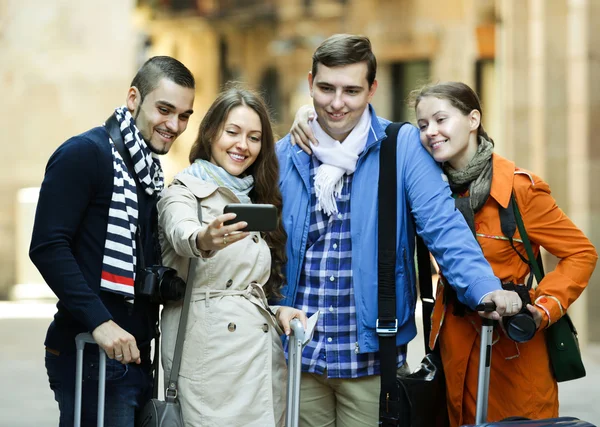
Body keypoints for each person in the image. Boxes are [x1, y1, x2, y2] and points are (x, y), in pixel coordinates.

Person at [278, 33, 523, 427]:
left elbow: (443, 228)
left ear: (372, 89)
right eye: (326, 88)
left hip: (372, 359)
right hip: (296, 357)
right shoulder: (285, 153)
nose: (337, 102)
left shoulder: (401, 145)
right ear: (310, 83)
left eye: (351, 90)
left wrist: (484, 286)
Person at [410, 81, 597, 426]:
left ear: (473, 119)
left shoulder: (519, 189)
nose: (431, 132)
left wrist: (542, 307)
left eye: (440, 120)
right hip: (451, 350)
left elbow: (581, 253)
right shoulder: (424, 188)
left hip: (512, 353)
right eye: (422, 125)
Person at [29, 56, 196, 426]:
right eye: (165, 110)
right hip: (89, 352)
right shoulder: (86, 154)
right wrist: (100, 322)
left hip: (134, 359)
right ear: (134, 98)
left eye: (184, 115)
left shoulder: (147, 173)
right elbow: (47, 246)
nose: (174, 125)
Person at [157, 85, 307, 427]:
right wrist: (206, 237)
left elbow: (239, 286)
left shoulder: (253, 198)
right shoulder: (183, 192)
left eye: (254, 137)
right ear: (210, 133)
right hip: (211, 360)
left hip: (257, 355)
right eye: (233, 132)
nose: (243, 145)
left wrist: (277, 310)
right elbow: (183, 235)